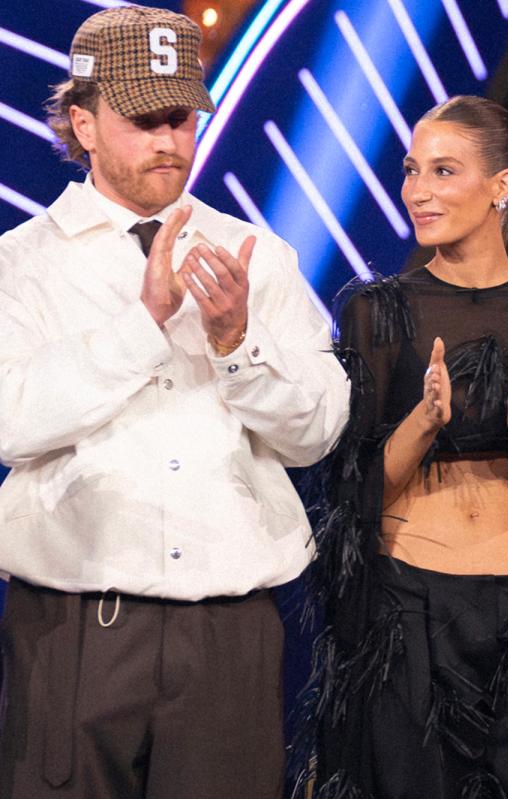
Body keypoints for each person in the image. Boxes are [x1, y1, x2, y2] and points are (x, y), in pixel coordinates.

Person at [0, 6, 349, 798]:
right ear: (83, 124)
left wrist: (237, 344)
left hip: (227, 633)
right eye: (143, 120)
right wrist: (144, 323)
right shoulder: (21, 264)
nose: (169, 140)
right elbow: (11, 421)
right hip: (73, 627)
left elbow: (318, 430)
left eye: (182, 118)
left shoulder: (257, 257)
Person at [305, 95, 508, 799]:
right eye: (412, 170)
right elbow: (355, 492)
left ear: (502, 185)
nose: (418, 191)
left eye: (443, 171)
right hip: (408, 609)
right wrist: (423, 422)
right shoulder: (377, 308)